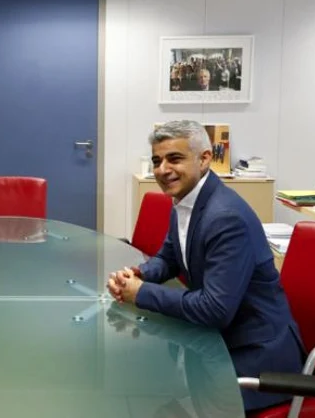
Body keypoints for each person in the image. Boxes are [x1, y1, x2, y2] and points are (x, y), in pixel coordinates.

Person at [107, 120, 304, 412]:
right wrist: (138, 275)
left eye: (175, 158)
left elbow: (214, 310)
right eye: (157, 161)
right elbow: (170, 257)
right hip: (217, 341)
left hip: (256, 357)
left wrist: (142, 293)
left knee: (152, 398)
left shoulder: (225, 217)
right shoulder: (185, 200)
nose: (162, 169)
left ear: (204, 158)